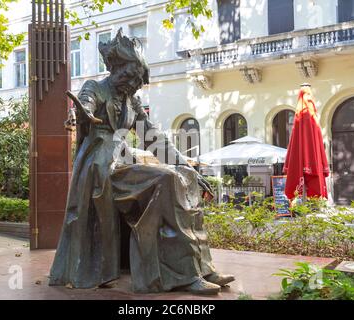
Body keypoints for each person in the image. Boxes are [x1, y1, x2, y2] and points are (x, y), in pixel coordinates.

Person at [49, 29, 234, 294]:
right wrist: (80, 114)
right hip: (101, 168)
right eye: (131, 76)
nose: (136, 83)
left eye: (138, 79)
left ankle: (201, 267)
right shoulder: (96, 88)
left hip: (121, 162)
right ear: (117, 69)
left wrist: (185, 165)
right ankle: (186, 275)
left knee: (184, 178)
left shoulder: (132, 102)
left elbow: (154, 138)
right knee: (167, 179)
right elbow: (84, 104)